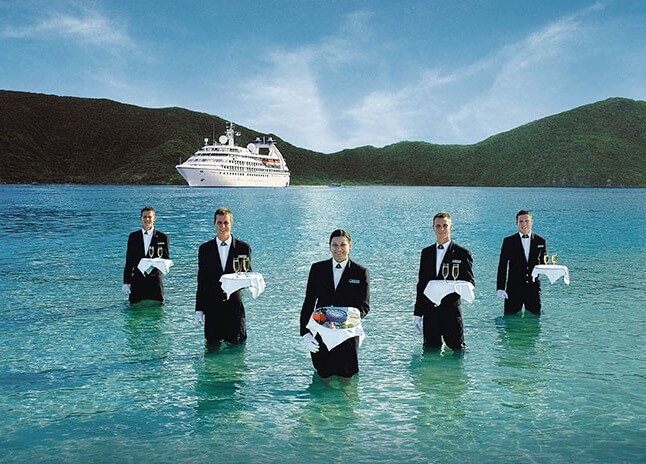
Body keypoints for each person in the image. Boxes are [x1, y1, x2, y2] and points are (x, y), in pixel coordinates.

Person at [300, 229, 370, 380]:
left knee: (347, 378)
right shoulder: (317, 269)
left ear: (350, 246)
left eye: (343, 245)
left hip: (347, 334)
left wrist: (346, 318)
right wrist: (305, 333)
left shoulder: (361, 272)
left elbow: (364, 306)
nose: (339, 249)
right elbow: (309, 302)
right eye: (334, 245)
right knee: (323, 375)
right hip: (321, 332)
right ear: (329, 246)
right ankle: (325, 405)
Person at [413, 212, 474, 351]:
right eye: (438, 226)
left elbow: (470, 281)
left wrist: (454, 286)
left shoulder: (463, 253)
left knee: (458, 351)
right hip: (430, 312)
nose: (441, 229)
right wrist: (417, 313)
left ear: (451, 227)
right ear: (433, 228)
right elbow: (421, 284)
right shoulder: (426, 253)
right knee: (430, 352)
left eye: (445, 225)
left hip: (451, 312)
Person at [194, 207, 252, 348]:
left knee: (236, 348)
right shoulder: (204, 249)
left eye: (226, 222)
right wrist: (199, 308)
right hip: (212, 307)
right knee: (212, 348)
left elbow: (248, 274)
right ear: (214, 224)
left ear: (231, 223)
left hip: (234, 307)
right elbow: (202, 280)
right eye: (219, 223)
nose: (223, 226)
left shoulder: (243, 248)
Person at [496, 210, 547, 315]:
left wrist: (553, 270)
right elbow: (502, 266)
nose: (524, 224)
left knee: (535, 322)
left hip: (533, 289)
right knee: (510, 323)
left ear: (531, 222)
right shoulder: (508, 241)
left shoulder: (540, 241)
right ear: (517, 223)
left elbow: (543, 263)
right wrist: (500, 288)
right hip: (514, 289)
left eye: (527, 221)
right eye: (521, 221)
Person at [122, 206, 170, 304]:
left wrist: (155, 263)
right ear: (141, 218)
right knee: (134, 311)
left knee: (158, 310)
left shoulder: (162, 237)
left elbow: (166, 258)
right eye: (144, 217)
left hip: (155, 279)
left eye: (149, 217)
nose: (147, 219)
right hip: (137, 279)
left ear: (154, 218)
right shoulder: (133, 237)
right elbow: (129, 260)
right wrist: (126, 282)